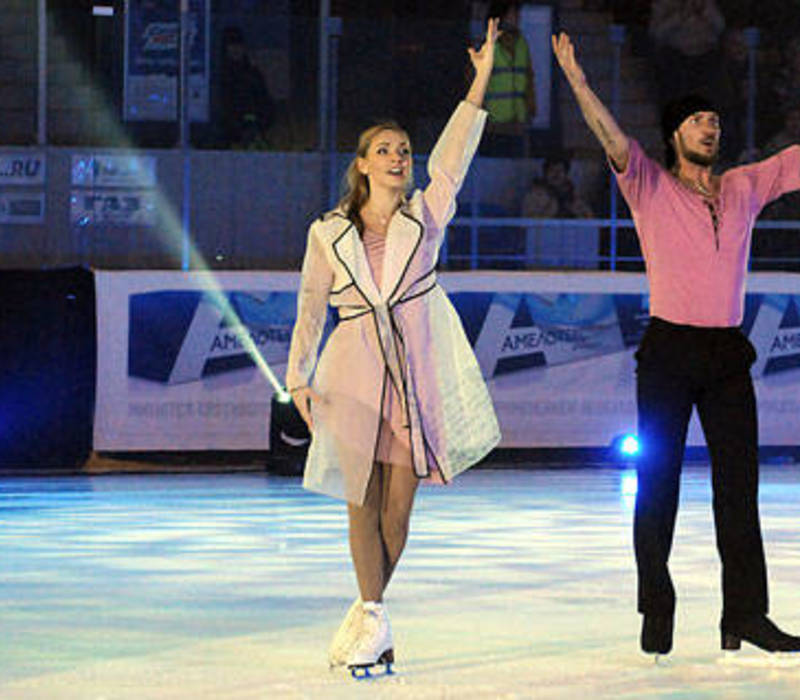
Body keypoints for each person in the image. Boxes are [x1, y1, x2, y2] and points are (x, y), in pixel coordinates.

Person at [553, 31, 800, 656]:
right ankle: (656, 609)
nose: (710, 128)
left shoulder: (743, 186)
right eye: (697, 120)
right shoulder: (649, 185)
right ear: (674, 135)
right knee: (658, 483)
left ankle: (744, 615)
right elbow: (611, 138)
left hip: (724, 354)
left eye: (715, 120)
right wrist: (579, 83)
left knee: (738, 489)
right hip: (667, 353)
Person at [285, 19, 502, 676]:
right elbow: (309, 305)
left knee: (399, 505)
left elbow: (455, 156)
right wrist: (298, 378)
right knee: (362, 496)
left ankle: (366, 614)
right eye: (384, 148)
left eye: (403, 148)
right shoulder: (327, 231)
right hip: (351, 366)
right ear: (361, 163)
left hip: (413, 368)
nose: (398, 155)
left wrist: (483, 76)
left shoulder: (425, 217)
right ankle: (374, 620)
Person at [481, 0, 536, 157]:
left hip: (518, 125)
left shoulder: (522, 44)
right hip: (493, 126)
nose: (518, 17)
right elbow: (474, 83)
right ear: (501, 16)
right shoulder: (488, 46)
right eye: (514, 13)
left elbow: (529, 79)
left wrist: (530, 111)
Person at [219, 27, 274, 149]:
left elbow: (265, 102)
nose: (236, 50)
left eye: (239, 46)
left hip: (254, 132)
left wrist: (257, 126)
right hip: (226, 138)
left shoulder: (253, 74)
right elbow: (221, 106)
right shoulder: (220, 75)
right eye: (232, 46)